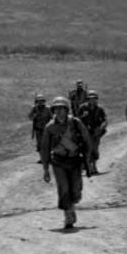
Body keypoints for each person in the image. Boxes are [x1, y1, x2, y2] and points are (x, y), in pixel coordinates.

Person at [40, 97, 91, 230]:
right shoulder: (50, 127)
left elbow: (86, 140)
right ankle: (68, 216)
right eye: (56, 109)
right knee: (63, 189)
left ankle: (72, 205)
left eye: (61, 108)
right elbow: (44, 148)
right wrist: (45, 168)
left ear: (66, 109)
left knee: (75, 190)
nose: (59, 112)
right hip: (58, 162)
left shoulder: (75, 123)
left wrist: (88, 159)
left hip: (74, 160)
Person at [77, 90, 107, 175]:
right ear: (88, 99)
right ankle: (89, 167)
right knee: (87, 150)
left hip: (96, 133)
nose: (92, 100)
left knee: (95, 149)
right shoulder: (83, 107)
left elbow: (105, 120)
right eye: (90, 99)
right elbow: (77, 119)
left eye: (94, 99)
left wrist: (101, 128)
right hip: (86, 132)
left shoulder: (100, 109)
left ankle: (94, 166)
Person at [28, 94, 52, 163]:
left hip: (46, 129)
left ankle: (48, 157)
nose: (40, 103)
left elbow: (52, 118)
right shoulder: (34, 108)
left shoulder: (48, 108)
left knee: (47, 144)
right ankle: (42, 159)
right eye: (39, 101)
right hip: (38, 130)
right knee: (39, 145)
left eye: (42, 101)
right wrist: (34, 116)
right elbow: (30, 117)